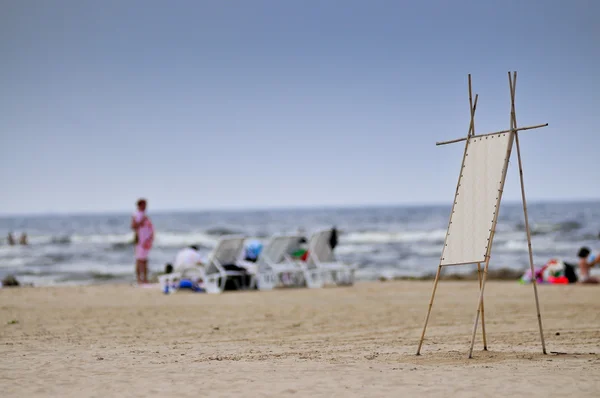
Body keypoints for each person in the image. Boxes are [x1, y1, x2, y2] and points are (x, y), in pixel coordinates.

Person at [131, 199, 154, 284]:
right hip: (140, 241)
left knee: (145, 260)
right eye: (144, 205)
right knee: (139, 260)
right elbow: (133, 226)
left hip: (146, 241)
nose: (145, 207)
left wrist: (151, 237)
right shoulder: (136, 215)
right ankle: (139, 279)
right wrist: (141, 221)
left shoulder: (144, 215)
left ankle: (145, 278)